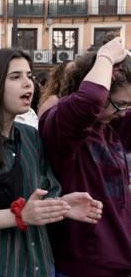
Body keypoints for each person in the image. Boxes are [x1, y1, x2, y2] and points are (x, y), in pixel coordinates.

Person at [0, 49, 103, 277]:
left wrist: (63, 204)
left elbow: (44, 190)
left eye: (29, 76)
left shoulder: (31, 136)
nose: (28, 84)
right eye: (16, 77)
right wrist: (19, 216)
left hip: (41, 265)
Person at [39, 37, 131, 277]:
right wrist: (106, 57)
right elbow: (90, 100)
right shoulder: (60, 122)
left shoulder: (110, 124)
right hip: (84, 265)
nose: (123, 113)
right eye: (120, 104)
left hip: (118, 259)